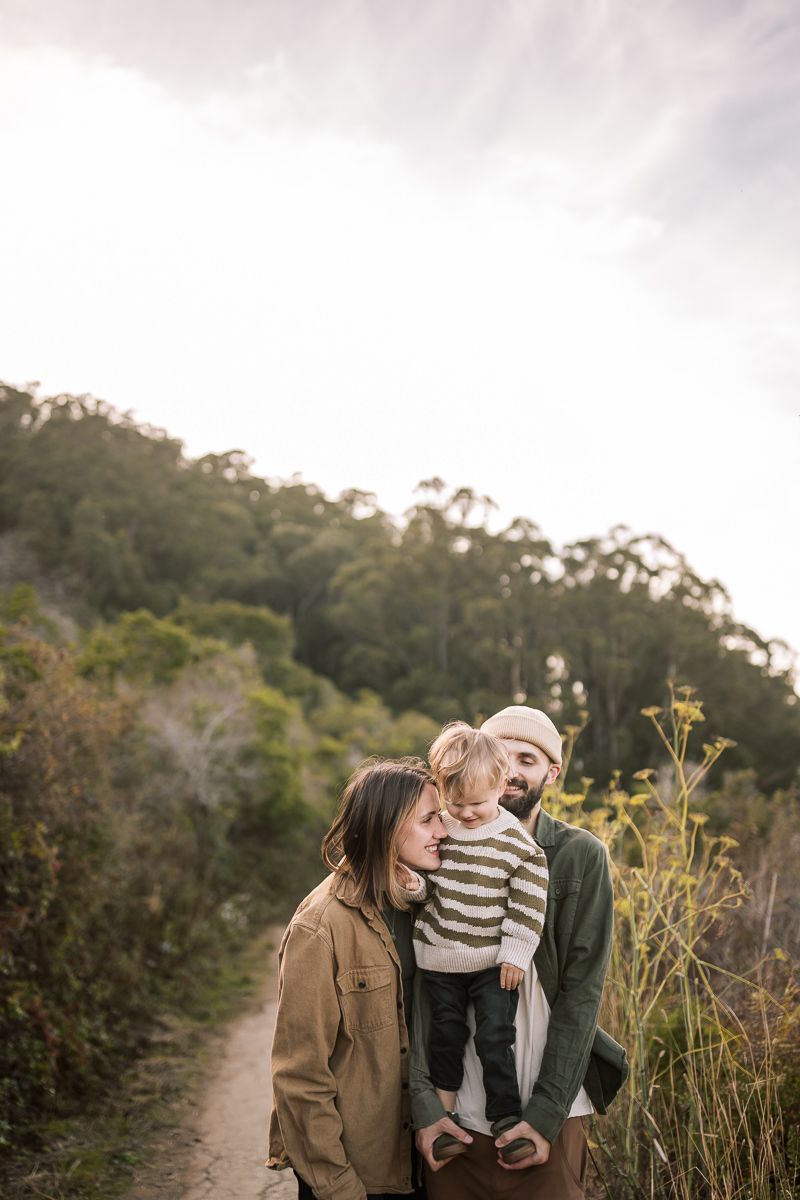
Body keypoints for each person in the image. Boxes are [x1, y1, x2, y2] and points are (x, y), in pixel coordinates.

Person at [412, 706, 628, 1200]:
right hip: (454, 1115)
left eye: (526, 759)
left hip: (543, 1110)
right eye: (500, 755)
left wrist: (547, 1114)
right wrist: (426, 1107)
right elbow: (417, 985)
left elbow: (582, 993)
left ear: (552, 772)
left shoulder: (579, 855)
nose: (509, 770)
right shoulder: (436, 841)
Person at [267, 757, 447, 1200]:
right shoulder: (319, 927)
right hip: (352, 1174)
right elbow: (300, 1075)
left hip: (420, 1164)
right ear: (386, 827)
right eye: (428, 820)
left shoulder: (425, 908)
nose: (442, 831)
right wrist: (339, 1185)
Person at [400, 723, 549, 1166]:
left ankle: (504, 1116)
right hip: (440, 957)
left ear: (501, 787)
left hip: (491, 964)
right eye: (455, 803)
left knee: (494, 1037)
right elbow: (429, 889)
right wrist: (411, 886)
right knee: (445, 1035)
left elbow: (528, 902)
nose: (465, 814)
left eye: (478, 804)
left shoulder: (515, 843)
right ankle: (442, 1116)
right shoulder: (441, 829)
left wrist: (516, 953)